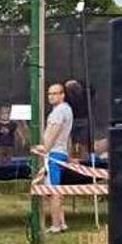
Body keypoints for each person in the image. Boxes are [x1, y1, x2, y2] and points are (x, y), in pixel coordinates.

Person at [39, 82, 74, 234]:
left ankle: (56, 225)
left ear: (62, 95)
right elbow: (68, 136)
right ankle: (62, 222)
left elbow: (54, 131)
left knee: (53, 191)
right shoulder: (67, 109)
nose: (51, 96)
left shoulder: (59, 111)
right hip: (61, 152)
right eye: (49, 94)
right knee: (54, 189)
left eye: (55, 93)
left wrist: (44, 149)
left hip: (53, 154)